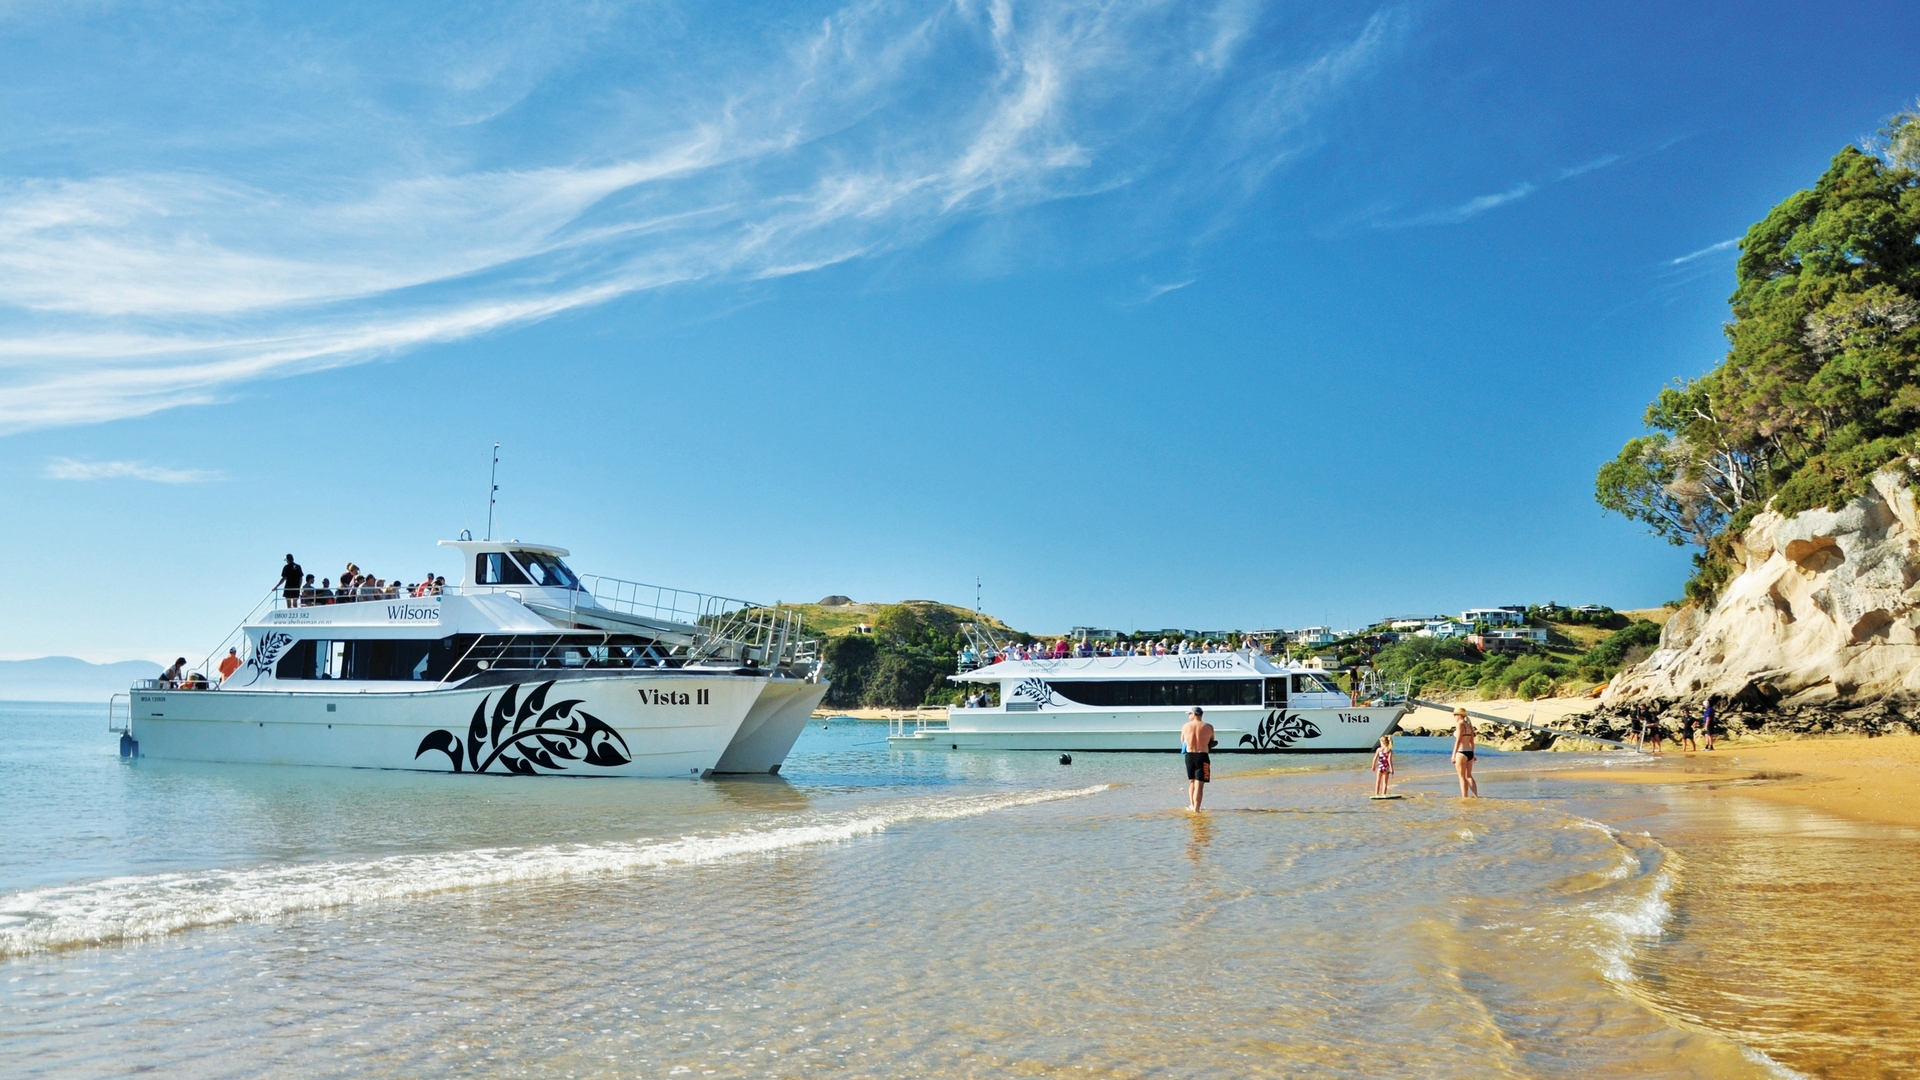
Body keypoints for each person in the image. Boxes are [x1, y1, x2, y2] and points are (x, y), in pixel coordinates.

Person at [1181, 706, 1215, 812]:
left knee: (1192, 782)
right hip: (1202, 756)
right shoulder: (1209, 727)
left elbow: (1183, 742)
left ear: (1194, 714)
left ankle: (1192, 806)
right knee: (1199, 785)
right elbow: (1212, 741)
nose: (1189, 716)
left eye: (1189, 714)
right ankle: (1196, 809)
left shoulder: (1185, 726)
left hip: (1189, 756)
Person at [1451, 707, 1479, 798]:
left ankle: (1465, 797)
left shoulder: (1460, 725)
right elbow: (1472, 741)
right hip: (1469, 752)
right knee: (1469, 775)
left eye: (1455, 715)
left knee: (1461, 777)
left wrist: (1453, 755)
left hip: (1461, 752)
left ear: (1459, 715)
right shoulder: (1469, 725)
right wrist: (1473, 754)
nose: (1454, 717)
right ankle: (1476, 796)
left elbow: (1458, 741)